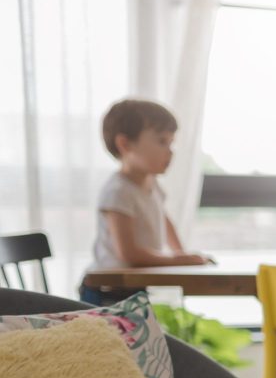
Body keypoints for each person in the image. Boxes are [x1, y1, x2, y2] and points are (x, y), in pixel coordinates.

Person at [81, 98, 210, 306]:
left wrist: (180, 252)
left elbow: (163, 218)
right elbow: (128, 253)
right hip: (106, 289)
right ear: (125, 144)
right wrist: (175, 261)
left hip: (132, 285)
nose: (170, 151)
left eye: (171, 143)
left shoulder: (152, 184)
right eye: (161, 141)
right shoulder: (118, 191)